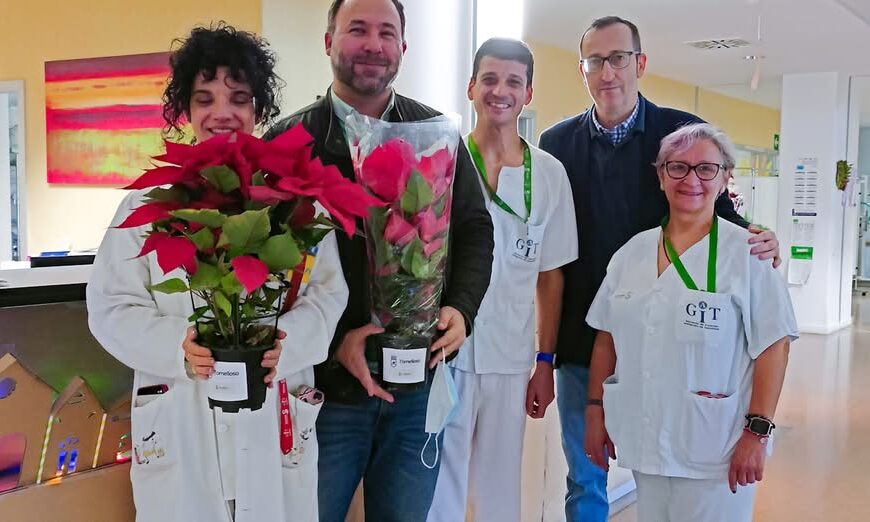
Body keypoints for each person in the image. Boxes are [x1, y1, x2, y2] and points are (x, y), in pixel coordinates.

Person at [87, 24, 347, 522]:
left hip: (273, 413)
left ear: (259, 110)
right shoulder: (148, 206)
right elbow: (109, 305)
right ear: (185, 111)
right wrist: (175, 346)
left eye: (240, 98)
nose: (221, 112)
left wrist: (286, 340)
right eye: (204, 98)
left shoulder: (295, 205)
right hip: (181, 416)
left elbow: (328, 295)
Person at [537, 16, 782, 521]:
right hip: (589, 341)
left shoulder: (676, 131)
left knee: (668, 468)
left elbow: (713, 204)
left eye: (619, 58)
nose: (609, 71)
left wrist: (759, 236)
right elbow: (550, 254)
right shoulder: (557, 145)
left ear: (640, 63)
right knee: (586, 475)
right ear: (582, 70)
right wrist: (544, 354)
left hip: (671, 341)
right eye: (596, 60)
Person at [263, 1, 494, 520]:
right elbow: (267, 272)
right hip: (323, 394)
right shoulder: (287, 143)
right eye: (357, 30)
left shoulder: (435, 133)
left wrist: (461, 308)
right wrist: (333, 343)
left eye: (386, 33)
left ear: (402, 50)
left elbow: (476, 231)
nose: (373, 44)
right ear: (328, 43)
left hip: (417, 387)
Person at [583, 123, 797, 521]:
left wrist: (757, 432)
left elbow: (774, 346)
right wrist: (595, 411)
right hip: (645, 436)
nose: (691, 180)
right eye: (677, 167)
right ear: (661, 176)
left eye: (706, 169)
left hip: (717, 449)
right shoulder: (631, 254)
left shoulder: (748, 254)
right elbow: (605, 339)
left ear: (725, 178)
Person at [427, 38, 577, 522]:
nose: (500, 91)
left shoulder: (550, 175)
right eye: (489, 79)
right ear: (471, 86)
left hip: (511, 359)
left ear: (528, 92)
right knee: (438, 486)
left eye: (513, 81)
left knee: (499, 490)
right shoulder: (441, 163)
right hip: (444, 352)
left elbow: (550, 277)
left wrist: (544, 361)